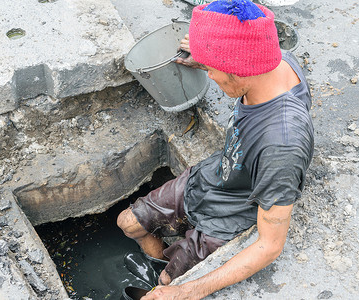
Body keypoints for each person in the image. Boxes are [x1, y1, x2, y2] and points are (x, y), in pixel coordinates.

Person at [117, 0, 314, 298]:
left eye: (214, 68)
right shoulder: (270, 58)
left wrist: (190, 291)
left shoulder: (282, 143)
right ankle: (158, 263)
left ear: (239, 69)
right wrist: (208, 53)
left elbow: (270, 244)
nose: (209, 75)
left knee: (169, 282)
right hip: (215, 176)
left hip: (234, 211)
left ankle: (166, 274)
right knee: (128, 223)